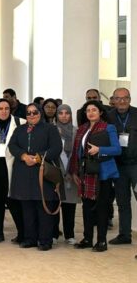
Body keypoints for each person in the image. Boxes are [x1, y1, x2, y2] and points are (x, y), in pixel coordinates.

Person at [8, 103, 63, 251]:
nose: (31, 115)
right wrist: (23, 156)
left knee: (43, 208)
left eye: (35, 112)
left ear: (40, 113)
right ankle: (30, 238)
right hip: (23, 173)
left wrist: (38, 157)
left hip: (43, 173)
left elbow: (56, 148)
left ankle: (45, 240)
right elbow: (12, 146)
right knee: (27, 208)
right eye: (28, 113)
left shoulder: (50, 129)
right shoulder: (19, 129)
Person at [70, 100, 121, 252]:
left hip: (102, 174)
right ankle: (87, 238)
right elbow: (76, 152)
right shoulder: (82, 129)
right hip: (85, 172)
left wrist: (100, 149)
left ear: (101, 112)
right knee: (86, 207)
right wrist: (75, 171)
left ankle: (101, 241)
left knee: (102, 208)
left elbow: (117, 149)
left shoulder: (108, 127)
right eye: (88, 110)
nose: (91, 113)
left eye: (94, 110)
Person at [0, 99, 25, 243]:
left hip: (14, 169)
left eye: (6, 108)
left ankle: (22, 233)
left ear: (10, 110)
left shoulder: (20, 123)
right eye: (0, 108)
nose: (3, 111)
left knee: (14, 203)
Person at [106, 87, 137, 245]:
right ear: (113, 100)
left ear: (130, 99)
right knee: (122, 201)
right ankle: (124, 235)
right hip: (118, 166)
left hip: (136, 165)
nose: (122, 101)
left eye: (125, 98)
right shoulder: (108, 116)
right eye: (118, 98)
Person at [55, 104, 79, 245]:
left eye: (67, 113)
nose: (64, 116)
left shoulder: (77, 131)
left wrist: (73, 170)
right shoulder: (52, 130)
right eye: (61, 113)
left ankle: (69, 234)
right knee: (54, 204)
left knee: (70, 206)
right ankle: (54, 234)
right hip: (56, 172)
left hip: (71, 173)